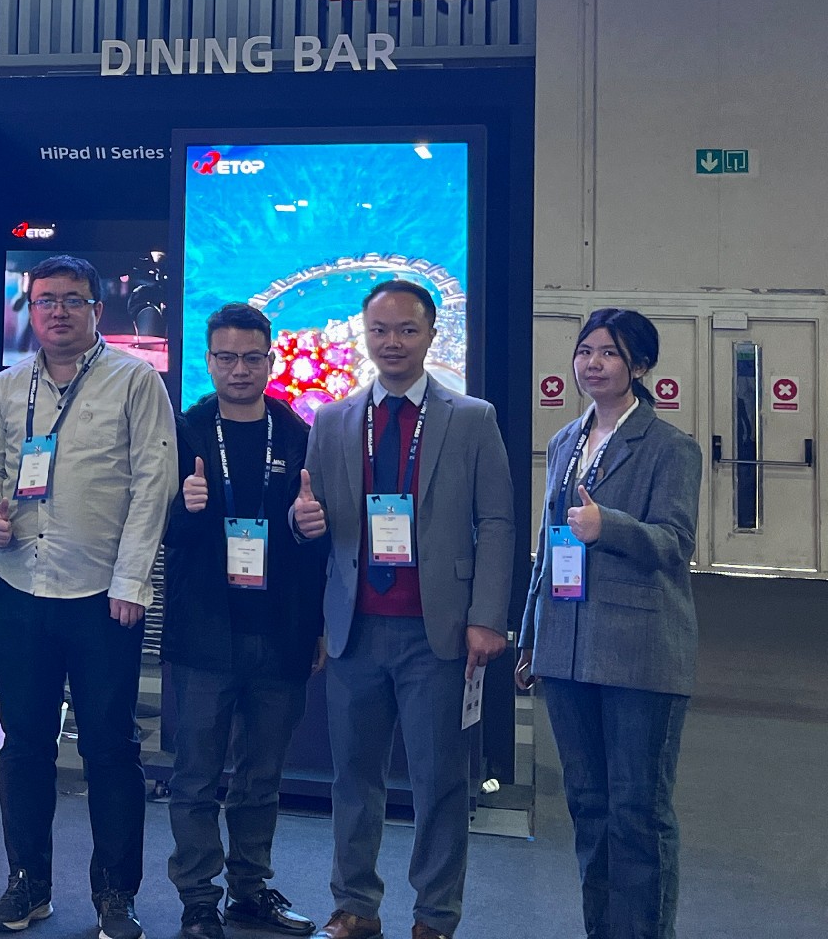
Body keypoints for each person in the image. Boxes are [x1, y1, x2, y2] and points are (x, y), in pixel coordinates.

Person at [295, 280, 515, 939]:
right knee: (352, 779)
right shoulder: (333, 420)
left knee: (438, 782)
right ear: (364, 334)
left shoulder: (471, 417)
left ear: (431, 335)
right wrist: (303, 521)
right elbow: (315, 518)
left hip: (436, 631)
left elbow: (497, 520)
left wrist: (487, 616)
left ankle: (434, 917)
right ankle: (354, 905)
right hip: (354, 629)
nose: (392, 342)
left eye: (407, 330)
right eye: (380, 330)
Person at [0, 255, 177, 939]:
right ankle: (27, 885)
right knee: (23, 745)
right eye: (45, 300)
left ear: (96, 309)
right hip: (19, 587)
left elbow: (154, 484)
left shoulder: (135, 380)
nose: (57, 311)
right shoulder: (8, 385)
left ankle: (115, 894)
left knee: (110, 749)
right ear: (31, 309)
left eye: (72, 300)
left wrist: (132, 580)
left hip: (102, 596)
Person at [516, 310, 700, 939]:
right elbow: (548, 546)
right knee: (588, 808)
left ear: (640, 366)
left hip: (640, 652)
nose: (592, 364)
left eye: (610, 353)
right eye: (585, 351)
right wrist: (530, 635)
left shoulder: (670, 447)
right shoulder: (565, 441)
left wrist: (609, 527)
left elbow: (676, 544)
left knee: (637, 812)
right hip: (567, 647)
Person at [164, 304, 325, 939]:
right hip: (205, 629)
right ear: (209, 361)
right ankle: (198, 898)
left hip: (280, 630)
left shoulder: (298, 434)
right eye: (226, 357)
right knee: (196, 776)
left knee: (262, 777)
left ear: (270, 360)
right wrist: (184, 508)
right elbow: (155, 529)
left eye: (251, 358)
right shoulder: (184, 432)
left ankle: (250, 891)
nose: (239, 369)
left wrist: (306, 528)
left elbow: (315, 543)